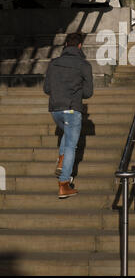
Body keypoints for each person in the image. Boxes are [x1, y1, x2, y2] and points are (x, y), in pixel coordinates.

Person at [43, 32, 93, 199]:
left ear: (65, 46)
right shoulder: (84, 65)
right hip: (72, 108)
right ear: (80, 46)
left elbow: (47, 89)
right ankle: (64, 184)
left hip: (55, 109)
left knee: (67, 133)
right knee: (72, 144)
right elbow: (88, 92)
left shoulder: (53, 63)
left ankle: (62, 161)